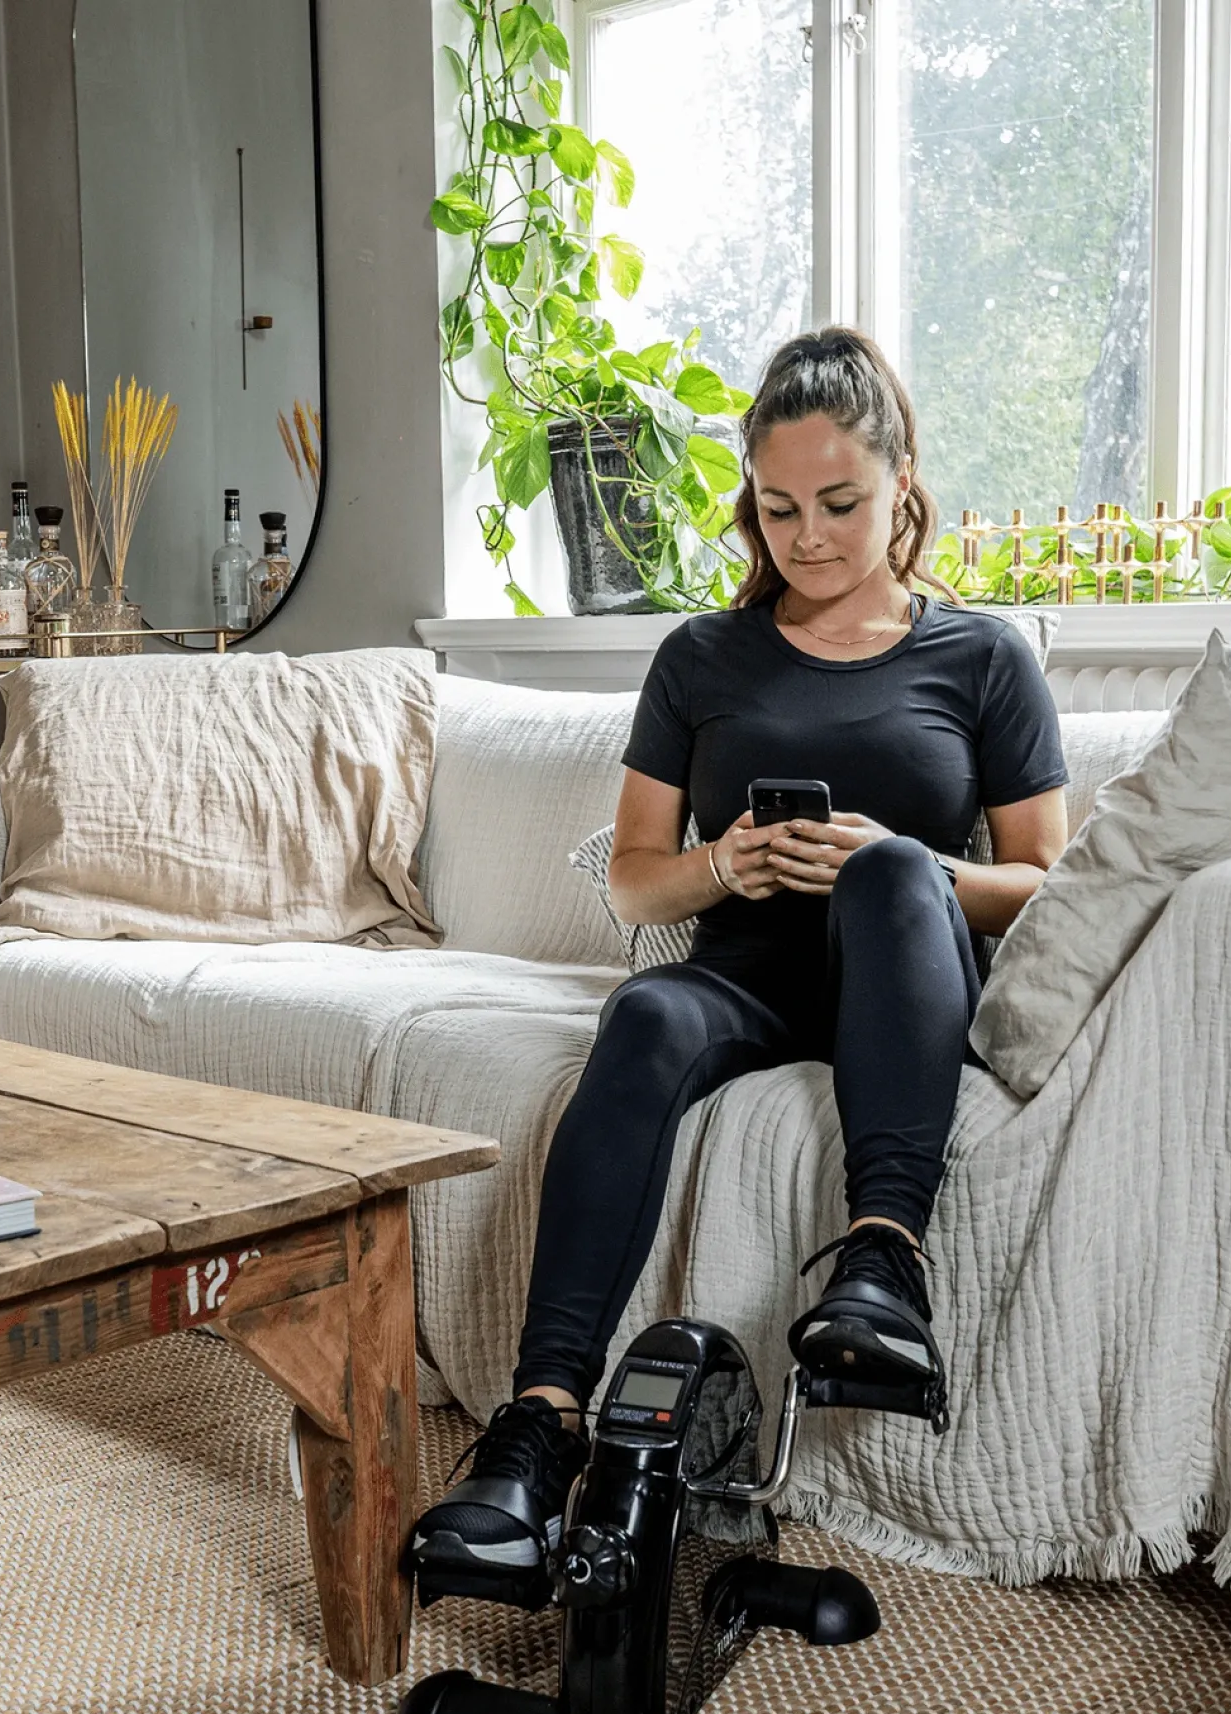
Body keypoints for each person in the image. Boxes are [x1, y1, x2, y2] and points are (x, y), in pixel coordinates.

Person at [410, 326, 1070, 1585]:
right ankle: (538, 1432)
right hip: (748, 979)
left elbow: (1044, 884)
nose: (808, 537)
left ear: (902, 482)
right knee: (647, 1014)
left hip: (905, 977)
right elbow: (635, 875)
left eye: (840, 503)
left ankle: (883, 1264)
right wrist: (727, 864)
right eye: (778, 509)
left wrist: (911, 861)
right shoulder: (701, 659)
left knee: (888, 871)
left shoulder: (982, 658)